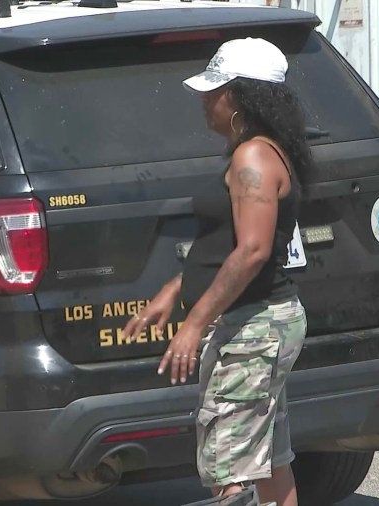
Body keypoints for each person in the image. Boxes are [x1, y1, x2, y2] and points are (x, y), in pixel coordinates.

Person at [123, 38, 311, 506]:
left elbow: (252, 250)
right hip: (263, 323)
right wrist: (177, 288)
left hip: (252, 329)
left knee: (229, 471)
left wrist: (194, 323)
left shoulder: (254, 158)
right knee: (268, 462)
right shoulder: (257, 152)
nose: (205, 100)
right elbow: (226, 243)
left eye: (215, 90)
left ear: (243, 97)